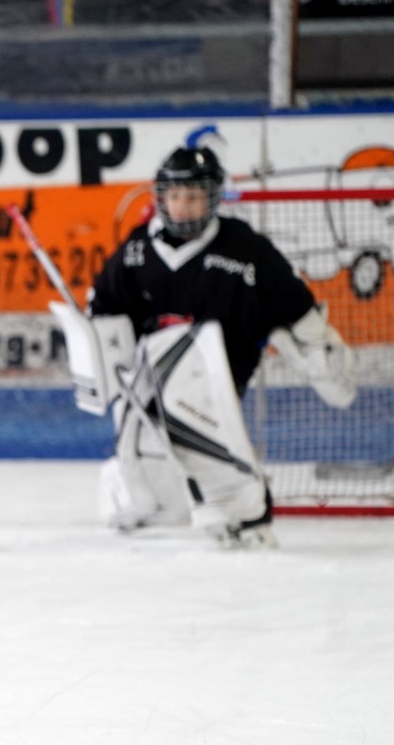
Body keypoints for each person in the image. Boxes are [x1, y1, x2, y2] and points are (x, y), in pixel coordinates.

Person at [77, 144, 355, 547]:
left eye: (193, 196)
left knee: (203, 441)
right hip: (151, 374)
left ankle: (246, 512)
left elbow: (295, 305)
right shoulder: (138, 249)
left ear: (212, 198)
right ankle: (145, 497)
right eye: (175, 196)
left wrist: (319, 349)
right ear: (161, 198)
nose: (183, 206)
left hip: (219, 373)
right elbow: (104, 308)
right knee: (142, 444)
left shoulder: (245, 248)